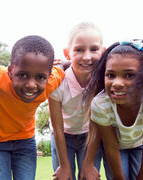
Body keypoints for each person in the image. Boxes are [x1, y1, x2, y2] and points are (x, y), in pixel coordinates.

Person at [0, 35, 65, 180]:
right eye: (23, 75)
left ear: (48, 76)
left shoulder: (51, 82)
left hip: (25, 142)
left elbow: (65, 66)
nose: (31, 84)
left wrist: (64, 62)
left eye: (40, 77)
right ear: (10, 72)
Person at [84, 39, 143, 180]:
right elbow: (111, 146)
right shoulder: (101, 104)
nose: (117, 83)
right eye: (111, 75)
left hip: (142, 145)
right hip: (117, 147)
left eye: (129, 75)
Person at [48, 22, 105, 180]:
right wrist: (64, 166)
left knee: (89, 176)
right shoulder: (57, 83)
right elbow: (57, 128)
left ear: (103, 51)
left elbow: (97, 126)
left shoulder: (102, 83)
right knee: (64, 176)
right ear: (67, 53)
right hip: (62, 136)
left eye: (93, 49)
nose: (87, 57)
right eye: (79, 50)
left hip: (89, 135)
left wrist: (88, 164)